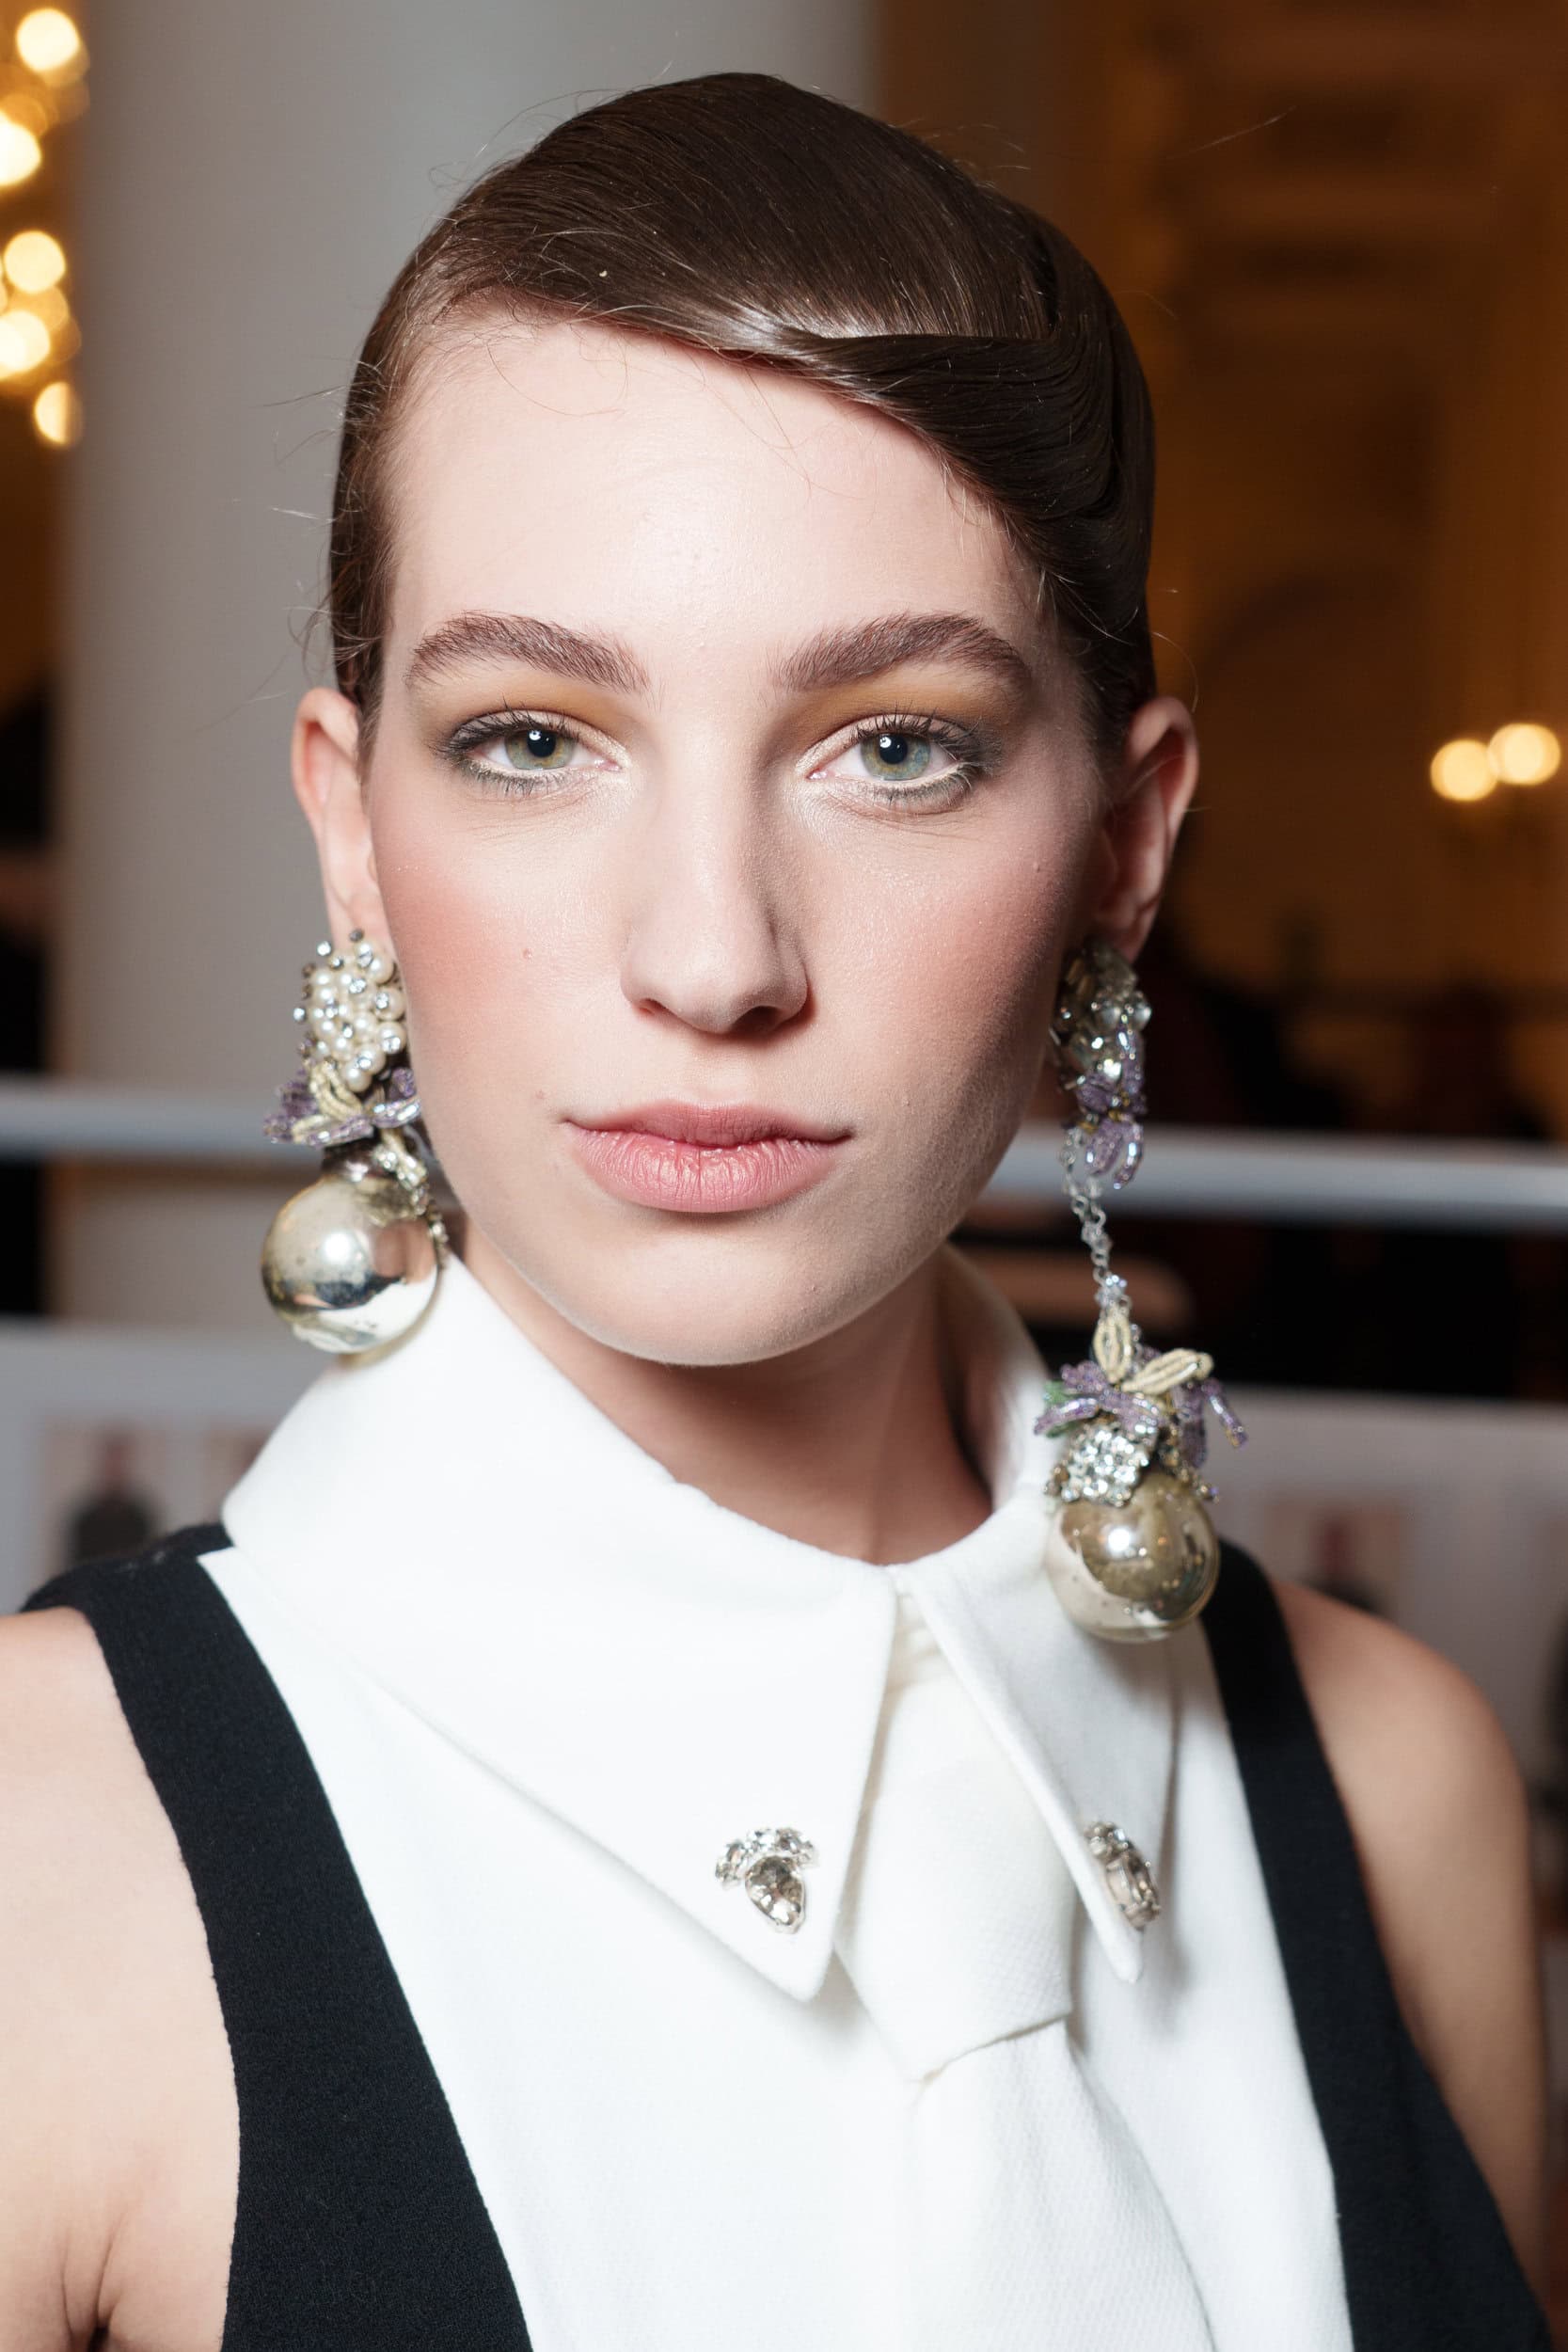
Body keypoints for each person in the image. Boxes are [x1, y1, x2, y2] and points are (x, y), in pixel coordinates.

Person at [0, 73, 1549, 2352]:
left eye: (895, 744)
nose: (713, 956)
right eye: (534, 737)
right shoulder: (43, 1860)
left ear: (1126, 842)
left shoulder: (1397, 1783)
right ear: (354, 827)